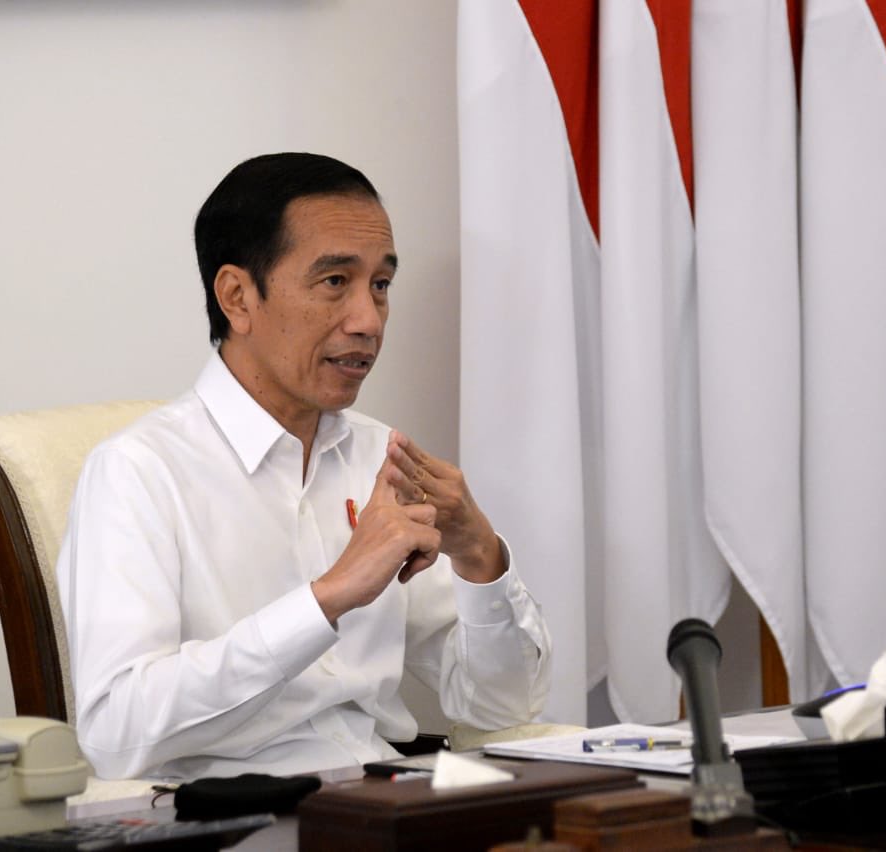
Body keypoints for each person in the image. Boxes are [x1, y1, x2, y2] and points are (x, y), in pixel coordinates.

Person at [56, 153, 551, 780]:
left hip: (385, 799)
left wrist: (481, 559)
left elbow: (499, 703)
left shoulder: (384, 460)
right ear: (238, 297)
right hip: (236, 821)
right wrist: (327, 597)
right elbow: (117, 733)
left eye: (380, 285)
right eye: (335, 282)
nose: (368, 321)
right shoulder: (137, 473)